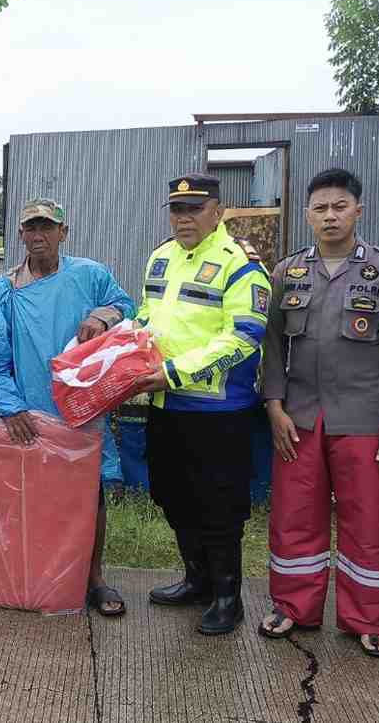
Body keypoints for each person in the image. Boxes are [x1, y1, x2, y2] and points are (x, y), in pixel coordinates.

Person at [259, 168, 379, 657]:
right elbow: (271, 346)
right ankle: (293, 607)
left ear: (358, 211)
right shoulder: (286, 273)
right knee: (294, 517)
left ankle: (370, 619)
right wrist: (274, 405)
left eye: (340, 206)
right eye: (321, 208)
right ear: (307, 215)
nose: (330, 216)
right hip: (299, 418)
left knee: (370, 521)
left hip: (366, 420)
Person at [0, 198, 135, 615]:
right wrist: (11, 408)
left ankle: (94, 578)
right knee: (31, 500)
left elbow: (127, 307)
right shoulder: (5, 289)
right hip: (28, 416)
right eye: (30, 228)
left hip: (83, 411)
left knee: (89, 497)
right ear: (20, 234)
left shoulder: (90, 275)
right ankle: (38, 580)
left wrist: (102, 317)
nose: (38, 235)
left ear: (63, 233)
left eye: (47, 227)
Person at [135, 173, 271, 635]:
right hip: (164, 404)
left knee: (219, 506)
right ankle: (196, 580)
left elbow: (245, 338)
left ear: (218, 211)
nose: (184, 218)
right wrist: (126, 349)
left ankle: (228, 597)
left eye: (194, 209)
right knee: (172, 495)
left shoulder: (241, 264)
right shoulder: (160, 257)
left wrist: (174, 372)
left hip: (218, 412)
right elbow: (148, 315)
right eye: (177, 209)